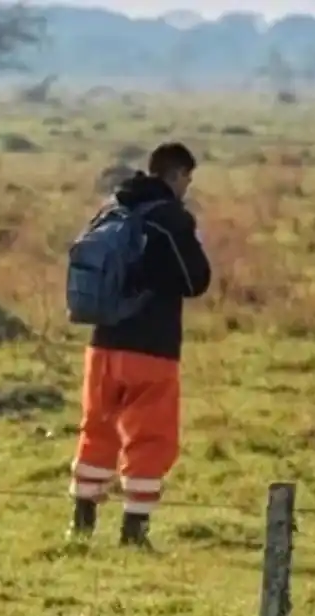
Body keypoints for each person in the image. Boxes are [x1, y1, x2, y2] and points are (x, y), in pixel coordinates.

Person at [68, 142, 212, 548]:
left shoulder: (113, 208)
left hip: (102, 343)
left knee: (96, 430)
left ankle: (81, 523)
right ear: (177, 175)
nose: (187, 186)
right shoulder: (170, 218)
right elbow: (195, 281)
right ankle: (134, 531)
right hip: (152, 347)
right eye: (187, 178)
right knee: (150, 437)